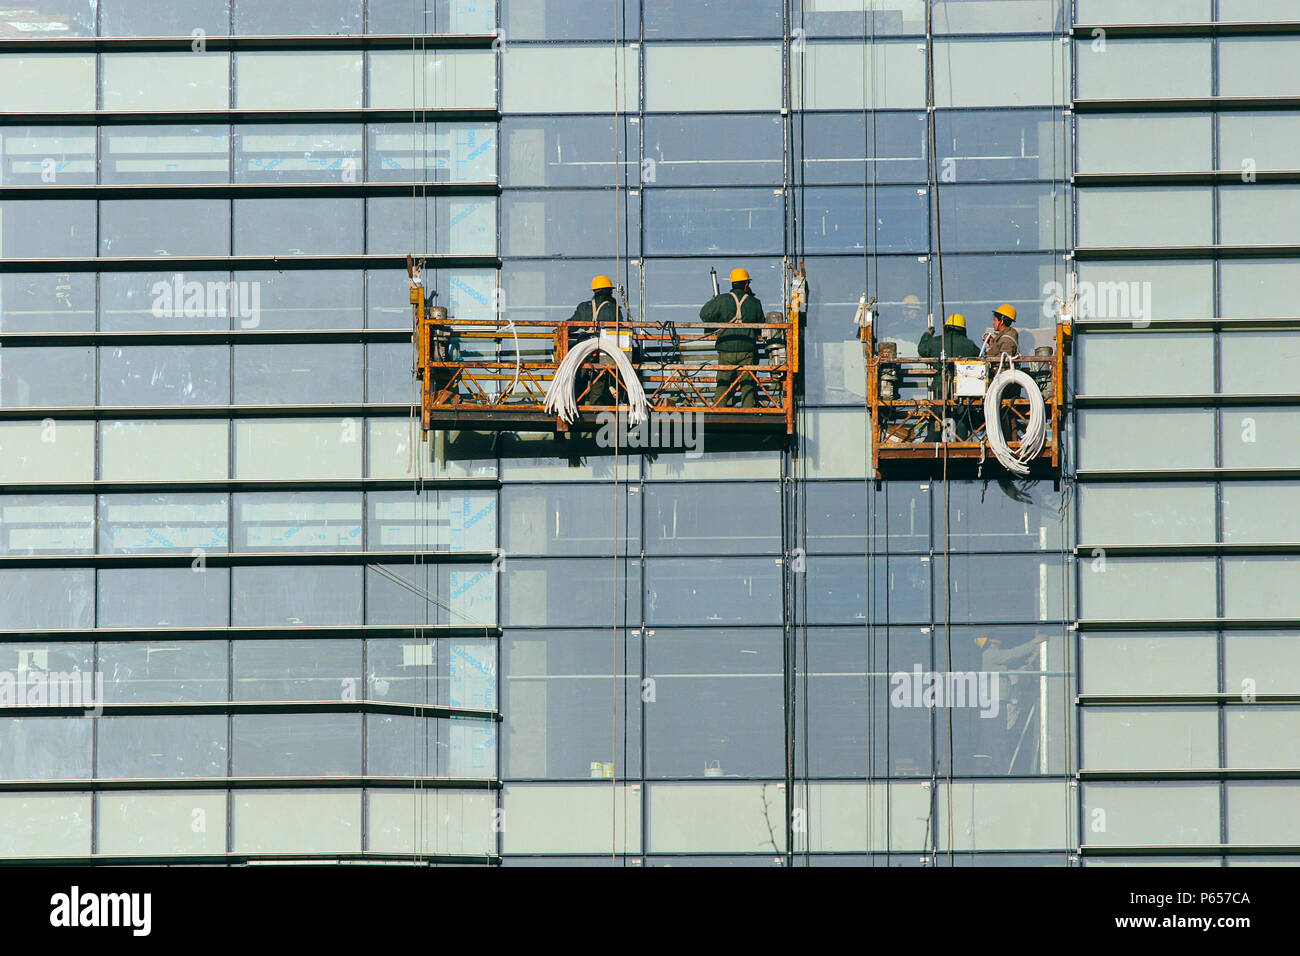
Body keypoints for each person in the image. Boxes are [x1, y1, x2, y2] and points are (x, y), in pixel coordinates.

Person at [975, 632, 1047, 774]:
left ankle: (999, 768)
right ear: (991, 642)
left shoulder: (997, 661)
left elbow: (1017, 670)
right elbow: (1013, 654)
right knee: (995, 737)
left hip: (997, 702)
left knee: (998, 736)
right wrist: (1035, 642)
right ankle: (996, 769)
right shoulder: (990, 654)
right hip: (993, 703)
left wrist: (1033, 657)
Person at [700, 267, 764, 408]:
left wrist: (713, 302)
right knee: (747, 383)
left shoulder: (722, 300)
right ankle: (749, 410)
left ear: (732, 283)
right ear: (746, 284)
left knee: (723, 382)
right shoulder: (755, 303)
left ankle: (718, 409)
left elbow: (705, 315)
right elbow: (761, 327)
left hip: (726, 349)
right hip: (747, 350)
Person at [917, 313, 979, 441]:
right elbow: (979, 358)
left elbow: (922, 349)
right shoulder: (969, 345)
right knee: (960, 418)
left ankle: (931, 443)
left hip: (941, 387)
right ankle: (961, 443)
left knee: (937, 416)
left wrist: (927, 335)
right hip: (962, 388)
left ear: (946, 328)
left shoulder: (937, 342)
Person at [566, 275, 625, 406]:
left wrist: (560, 330)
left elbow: (570, 326)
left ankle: (576, 403)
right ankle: (595, 405)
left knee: (579, 375)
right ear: (607, 291)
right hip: (604, 350)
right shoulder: (613, 308)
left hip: (583, 350)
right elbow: (622, 329)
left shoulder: (583, 307)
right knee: (600, 376)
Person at [986, 304, 1021, 440]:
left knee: (1004, 416)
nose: (993, 322)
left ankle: (1004, 440)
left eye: (995, 319)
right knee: (1004, 416)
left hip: (1005, 386)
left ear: (1001, 321)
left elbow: (1003, 361)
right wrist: (992, 344)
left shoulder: (1007, 338)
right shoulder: (1004, 337)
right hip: (1003, 385)